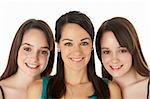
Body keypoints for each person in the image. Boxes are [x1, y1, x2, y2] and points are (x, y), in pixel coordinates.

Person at [28, 11, 121, 99]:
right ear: (58, 46)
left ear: (92, 45)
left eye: (84, 43)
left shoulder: (111, 90)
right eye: (68, 44)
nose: (77, 52)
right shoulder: (38, 90)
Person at [95, 17, 150, 99]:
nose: (114, 59)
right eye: (107, 52)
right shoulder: (97, 92)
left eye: (122, 51)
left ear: (133, 49)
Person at [0, 19, 55, 99]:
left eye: (43, 52)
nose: (34, 59)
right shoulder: (2, 91)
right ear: (16, 49)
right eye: (27, 49)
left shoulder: (57, 90)